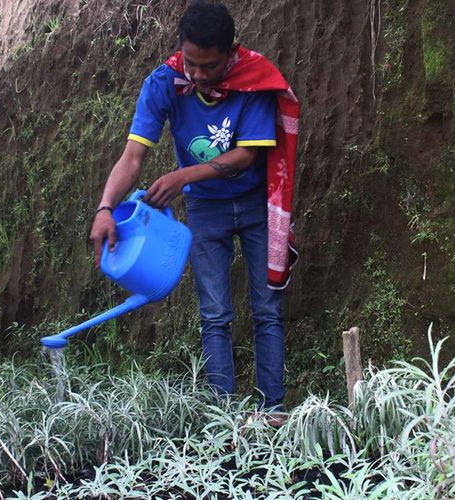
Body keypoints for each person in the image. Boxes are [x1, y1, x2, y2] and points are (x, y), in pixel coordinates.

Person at [89, 1, 299, 413]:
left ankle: (272, 412)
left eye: (210, 65)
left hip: (256, 206)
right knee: (215, 314)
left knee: (267, 311)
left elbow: (246, 157)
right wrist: (105, 207)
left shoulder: (252, 80)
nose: (199, 75)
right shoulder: (163, 83)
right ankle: (223, 419)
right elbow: (132, 157)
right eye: (191, 63)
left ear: (231, 52)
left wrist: (182, 177)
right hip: (207, 211)